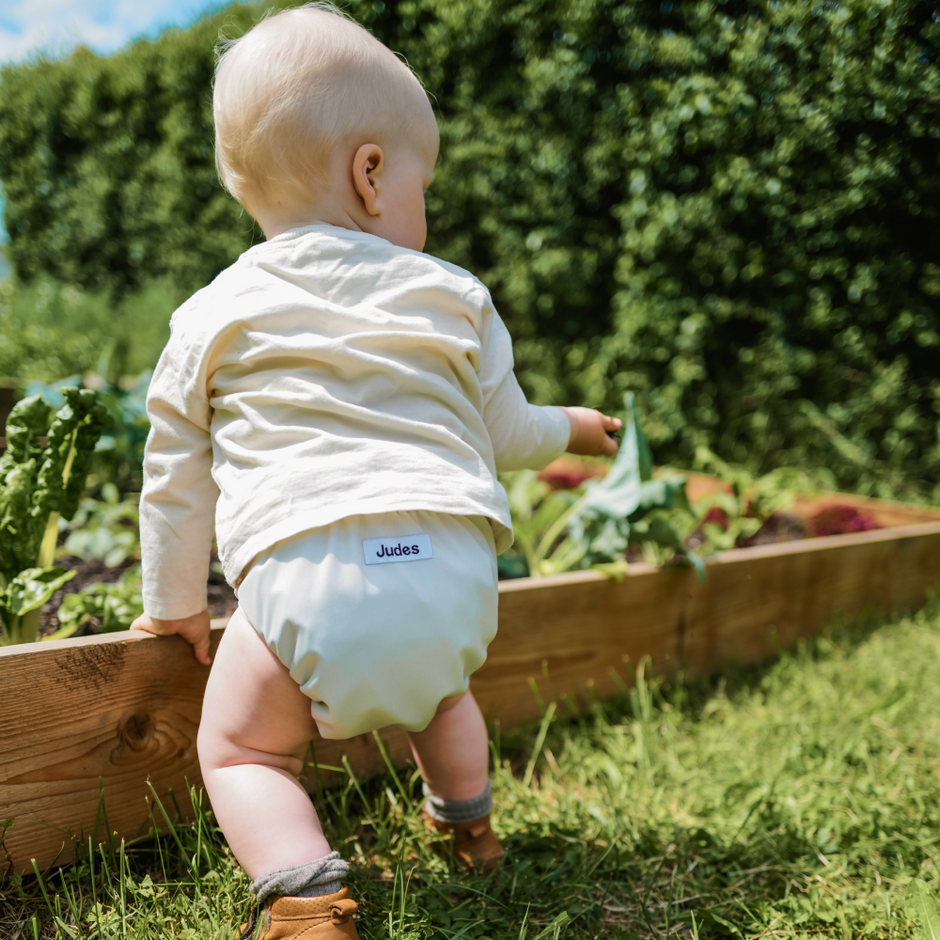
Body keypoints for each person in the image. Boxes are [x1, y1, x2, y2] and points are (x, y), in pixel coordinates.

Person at [130, 4, 621, 938]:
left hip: (303, 578)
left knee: (240, 752)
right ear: (370, 174)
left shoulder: (213, 312)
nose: (423, 206)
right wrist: (575, 427)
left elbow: (175, 476)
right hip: (455, 576)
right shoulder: (454, 294)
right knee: (440, 690)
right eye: (421, 182)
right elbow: (505, 429)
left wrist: (174, 604)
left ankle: (307, 898)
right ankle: (470, 830)